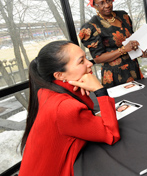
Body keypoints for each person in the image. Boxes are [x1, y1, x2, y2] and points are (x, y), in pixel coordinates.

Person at [19, 41, 120, 176]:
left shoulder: (46, 91)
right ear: (60, 75)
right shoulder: (64, 107)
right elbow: (111, 134)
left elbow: (83, 114)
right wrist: (99, 90)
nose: (89, 63)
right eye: (81, 61)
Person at [79, 0, 147, 88]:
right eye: (101, 3)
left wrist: (141, 51)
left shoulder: (123, 16)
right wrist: (123, 49)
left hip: (133, 68)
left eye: (108, 0)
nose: (106, 5)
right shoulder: (91, 27)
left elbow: (131, 41)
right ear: (94, 5)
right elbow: (98, 58)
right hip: (114, 75)